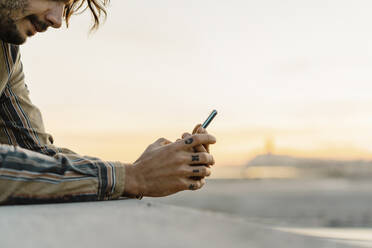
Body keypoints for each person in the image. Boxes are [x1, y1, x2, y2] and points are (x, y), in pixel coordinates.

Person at [0, 0, 216, 204]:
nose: (56, 20)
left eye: (64, 5)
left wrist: (146, 170)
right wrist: (132, 177)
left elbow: (35, 152)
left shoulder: (6, 50)